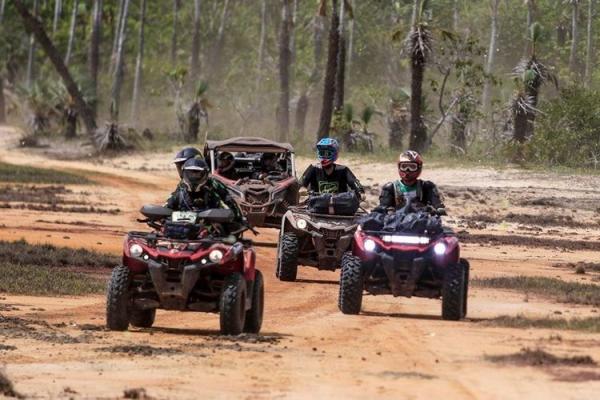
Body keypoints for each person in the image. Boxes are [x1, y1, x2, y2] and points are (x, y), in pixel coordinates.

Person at [165, 158, 244, 225]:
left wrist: (237, 219)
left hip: (210, 228)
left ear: (205, 174)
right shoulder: (180, 191)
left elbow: (228, 206)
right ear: (184, 173)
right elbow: (166, 207)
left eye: (198, 174)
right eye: (190, 174)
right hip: (182, 226)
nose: (194, 177)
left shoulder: (211, 192)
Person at [378, 150, 444, 210]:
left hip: (421, 219)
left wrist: (438, 208)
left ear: (419, 167)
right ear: (399, 167)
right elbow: (383, 207)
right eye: (404, 167)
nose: (408, 170)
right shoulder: (390, 188)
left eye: (412, 167)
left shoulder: (426, 186)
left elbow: (437, 204)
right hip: (397, 220)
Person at [299, 138, 364, 198]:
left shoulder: (343, 170)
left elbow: (356, 184)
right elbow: (300, 184)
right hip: (317, 204)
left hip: (340, 205)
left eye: (328, 153)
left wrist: (360, 192)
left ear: (335, 154)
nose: (325, 156)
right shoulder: (313, 168)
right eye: (322, 153)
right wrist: (302, 190)